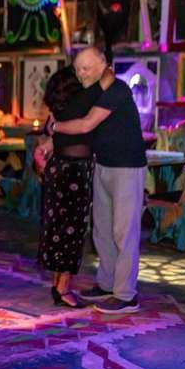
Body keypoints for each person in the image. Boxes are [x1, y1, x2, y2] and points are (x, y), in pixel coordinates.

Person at [50, 46, 147, 314]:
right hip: (103, 164)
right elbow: (78, 120)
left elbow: (86, 124)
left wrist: (55, 127)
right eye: (77, 69)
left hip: (127, 167)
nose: (80, 74)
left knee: (124, 232)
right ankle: (106, 284)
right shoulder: (93, 92)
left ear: (102, 65)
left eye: (85, 68)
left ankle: (126, 295)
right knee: (102, 230)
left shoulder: (117, 89)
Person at [36, 65, 113, 308]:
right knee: (72, 229)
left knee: (56, 226)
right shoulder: (79, 104)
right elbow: (106, 80)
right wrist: (103, 69)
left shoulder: (60, 109)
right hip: (74, 172)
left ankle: (57, 284)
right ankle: (63, 289)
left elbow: (55, 136)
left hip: (58, 168)